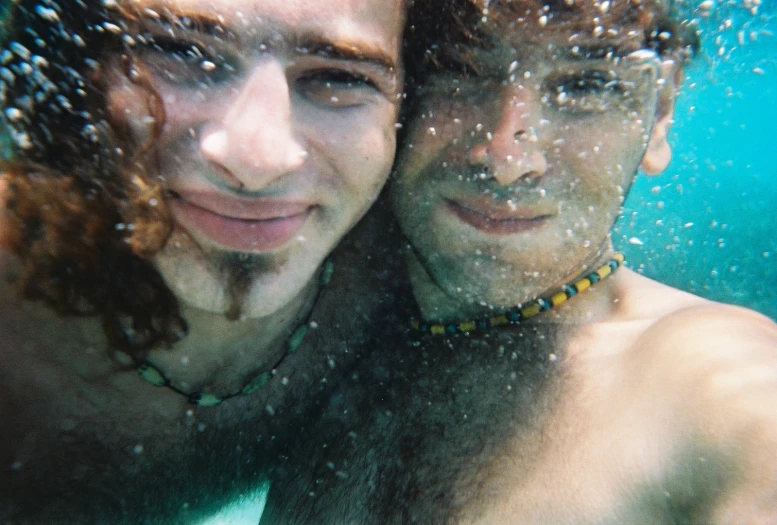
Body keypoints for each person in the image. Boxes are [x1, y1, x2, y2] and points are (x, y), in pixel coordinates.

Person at [260, 0, 777, 523]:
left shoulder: (707, 385)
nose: (506, 159)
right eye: (459, 71)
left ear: (659, 113)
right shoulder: (311, 321)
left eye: (585, 87)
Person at [0, 0, 409, 521]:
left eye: (337, 77)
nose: (255, 162)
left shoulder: (421, 287)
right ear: (82, 69)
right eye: (183, 53)